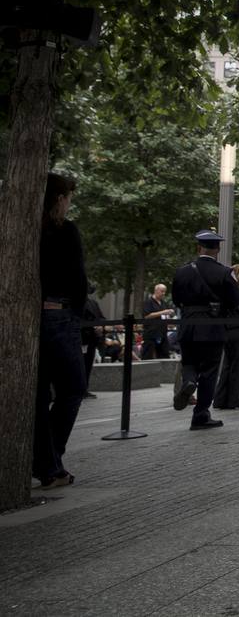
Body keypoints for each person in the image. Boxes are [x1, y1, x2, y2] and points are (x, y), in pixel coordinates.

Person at [34, 173, 89, 488]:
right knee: (72, 389)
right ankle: (49, 459)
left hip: (33, 316)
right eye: (68, 197)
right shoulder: (65, 231)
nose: (69, 203)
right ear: (59, 199)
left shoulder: (27, 229)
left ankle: (46, 460)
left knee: (41, 394)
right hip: (59, 314)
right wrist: (76, 312)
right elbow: (76, 277)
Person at [170, 230, 239, 429]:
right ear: (217, 249)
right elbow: (238, 302)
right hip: (212, 327)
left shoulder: (182, 271)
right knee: (210, 371)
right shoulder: (223, 272)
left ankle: (189, 380)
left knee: (189, 362)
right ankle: (201, 414)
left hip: (188, 325)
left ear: (198, 248)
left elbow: (176, 300)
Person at [212, 263, 239, 409]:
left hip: (228, 329)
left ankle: (221, 398)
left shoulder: (225, 289)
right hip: (237, 329)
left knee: (227, 365)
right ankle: (233, 398)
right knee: (237, 365)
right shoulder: (235, 289)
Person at [140, 283, 173, 360]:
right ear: (156, 290)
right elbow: (147, 316)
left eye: (165, 292)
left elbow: (165, 316)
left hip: (162, 333)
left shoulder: (163, 303)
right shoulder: (148, 302)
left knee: (164, 355)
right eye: (162, 291)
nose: (163, 293)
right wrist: (163, 312)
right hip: (151, 333)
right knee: (148, 355)